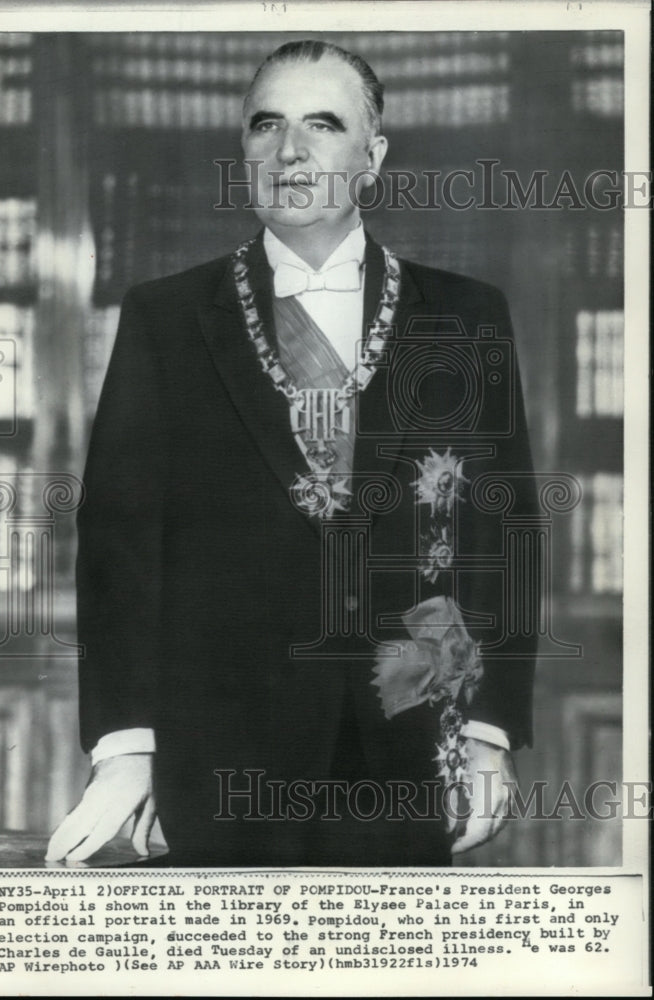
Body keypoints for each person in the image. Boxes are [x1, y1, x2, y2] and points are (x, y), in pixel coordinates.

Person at [46, 40, 537, 867]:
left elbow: (501, 536)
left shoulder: (464, 316)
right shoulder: (166, 319)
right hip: (214, 763)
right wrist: (126, 748)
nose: (290, 151)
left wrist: (488, 736)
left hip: (411, 753)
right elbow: (120, 548)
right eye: (266, 125)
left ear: (372, 156)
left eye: (323, 124)